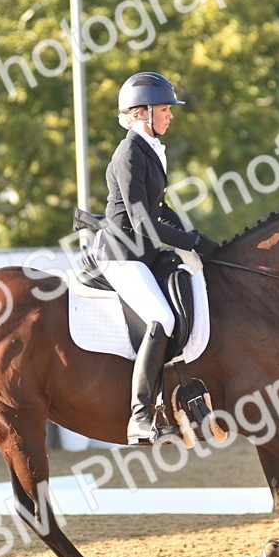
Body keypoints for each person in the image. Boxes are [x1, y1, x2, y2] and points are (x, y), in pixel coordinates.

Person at [98, 72, 219, 444]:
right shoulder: (129, 154)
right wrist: (189, 239)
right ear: (141, 113)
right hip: (122, 255)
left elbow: (160, 209)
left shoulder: (151, 150)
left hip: (145, 253)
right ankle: (139, 415)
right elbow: (141, 222)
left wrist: (196, 241)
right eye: (165, 109)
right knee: (161, 317)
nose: (170, 116)